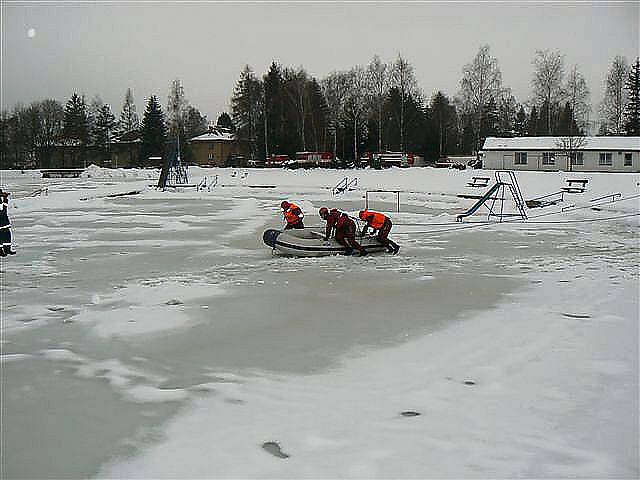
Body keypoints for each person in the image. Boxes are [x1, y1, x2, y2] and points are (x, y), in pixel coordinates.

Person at [0, 189, 16, 257]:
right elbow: (2, 209)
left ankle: (7, 249)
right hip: (1, 221)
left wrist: (5, 198)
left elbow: (4, 208)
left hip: (4, 221)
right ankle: (0, 250)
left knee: (7, 236)